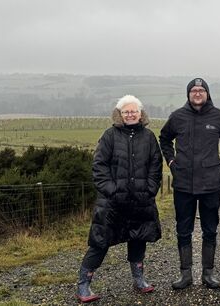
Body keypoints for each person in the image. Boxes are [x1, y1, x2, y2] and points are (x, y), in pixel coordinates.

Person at [76, 95, 163, 303]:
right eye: (126, 112)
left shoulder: (149, 137)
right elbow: (99, 166)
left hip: (141, 200)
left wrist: (150, 189)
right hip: (112, 203)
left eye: (134, 111)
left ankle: (139, 279)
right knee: (99, 242)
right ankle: (83, 285)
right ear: (119, 114)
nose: (130, 114)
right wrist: (112, 190)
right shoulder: (109, 136)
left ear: (141, 114)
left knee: (138, 239)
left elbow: (156, 166)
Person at [159, 78, 220, 289]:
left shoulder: (219, 115)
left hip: (211, 183)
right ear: (188, 94)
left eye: (201, 90)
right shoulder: (177, 116)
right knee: (183, 230)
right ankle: (185, 275)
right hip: (183, 184)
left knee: (210, 230)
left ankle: (208, 274)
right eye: (194, 90)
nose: (197, 93)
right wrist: (171, 161)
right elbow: (164, 139)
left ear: (207, 93)